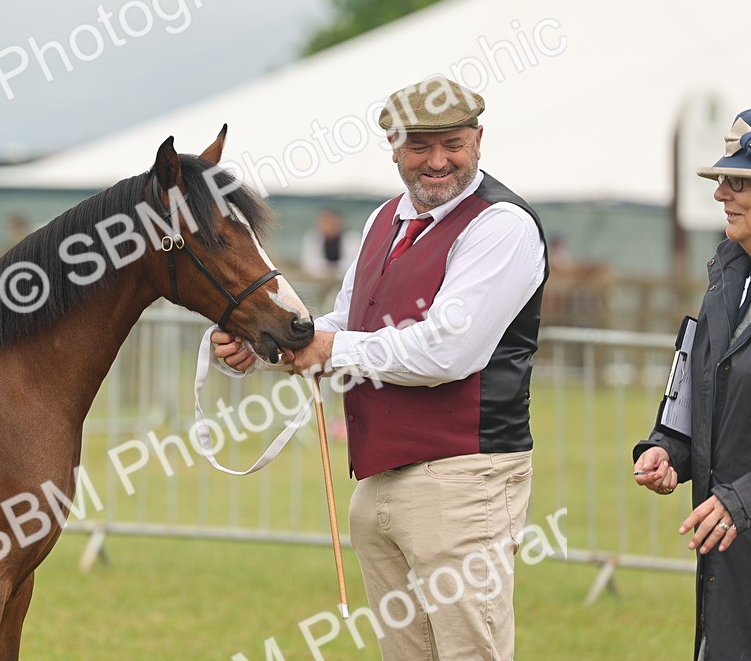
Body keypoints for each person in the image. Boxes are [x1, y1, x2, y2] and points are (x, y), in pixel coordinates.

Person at [213, 76, 548, 661]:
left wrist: (327, 349)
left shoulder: (502, 225)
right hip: (379, 476)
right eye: (419, 146)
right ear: (392, 145)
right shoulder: (381, 221)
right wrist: (269, 342)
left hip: (465, 478)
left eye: (453, 143)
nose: (438, 161)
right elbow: (347, 323)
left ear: (478, 138)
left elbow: (448, 350)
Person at [633, 107, 751, 660]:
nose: (721, 195)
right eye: (721, 181)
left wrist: (746, 499)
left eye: (740, 182)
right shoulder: (728, 282)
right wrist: (669, 448)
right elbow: (698, 394)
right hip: (732, 562)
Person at [300, 209, 359, 281]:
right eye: (326, 223)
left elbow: (353, 265)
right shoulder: (313, 238)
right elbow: (310, 266)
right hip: (319, 281)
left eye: (332, 223)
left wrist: (329, 270)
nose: (329, 226)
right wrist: (332, 271)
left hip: (346, 280)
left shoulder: (351, 238)